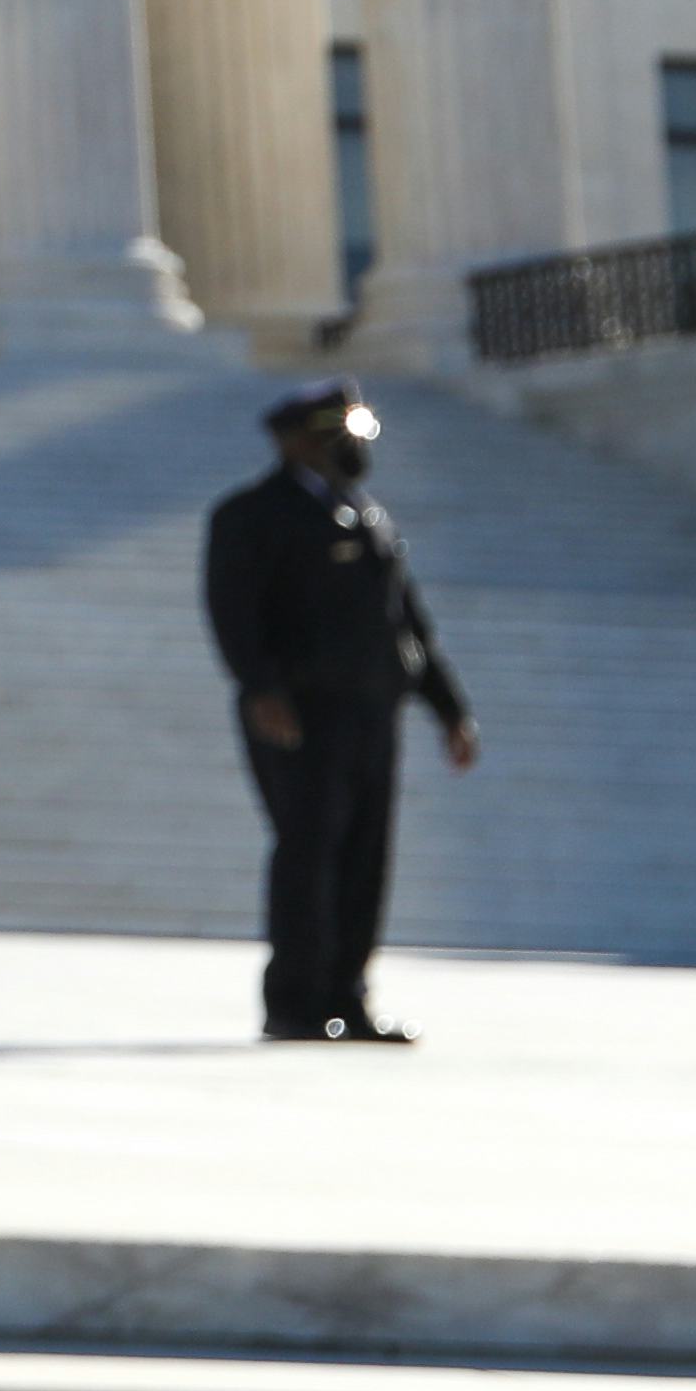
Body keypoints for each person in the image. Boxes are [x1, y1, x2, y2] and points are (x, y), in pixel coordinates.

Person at [203, 380, 480, 1044]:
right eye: (336, 433)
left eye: (353, 433)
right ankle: (294, 1003)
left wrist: (449, 710)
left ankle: (346, 999)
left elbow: (407, 625)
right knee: (308, 852)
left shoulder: (368, 517)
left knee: (364, 858)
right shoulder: (252, 515)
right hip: (300, 713)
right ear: (295, 439)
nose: (349, 447)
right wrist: (261, 690)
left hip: (371, 713)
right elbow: (235, 615)